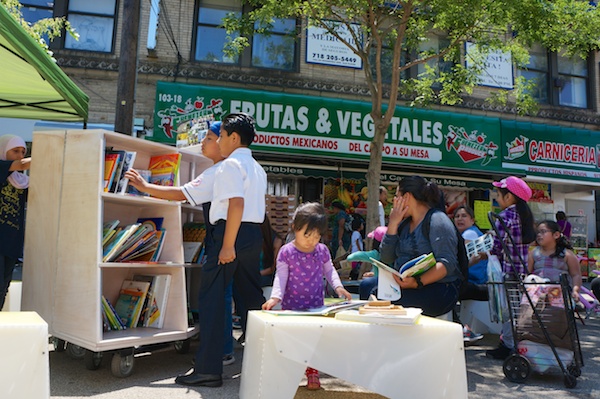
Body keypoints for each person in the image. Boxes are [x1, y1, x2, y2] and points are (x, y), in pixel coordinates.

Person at [125, 121, 236, 366]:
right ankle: (225, 348)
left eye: (209, 137)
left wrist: (145, 187)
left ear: (225, 141)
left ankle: (221, 351)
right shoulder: (230, 169)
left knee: (216, 297)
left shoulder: (218, 171)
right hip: (228, 241)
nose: (204, 143)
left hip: (220, 242)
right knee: (222, 296)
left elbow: (182, 193)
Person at [174, 112, 267, 387]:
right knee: (251, 300)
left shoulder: (230, 166)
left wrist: (227, 246)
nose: (220, 141)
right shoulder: (258, 168)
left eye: (222, 135)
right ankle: (265, 362)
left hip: (230, 234)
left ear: (234, 138)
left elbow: (235, 204)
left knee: (213, 300)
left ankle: (209, 370)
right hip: (252, 235)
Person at [262, 202, 352, 390]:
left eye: (317, 236)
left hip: (316, 306)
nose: (312, 240)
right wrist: (275, 297)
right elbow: (281, 276)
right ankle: (289, 373)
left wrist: (339, 287)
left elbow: (330, 271)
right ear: (295, 228)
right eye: (307, 235)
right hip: (291, 307)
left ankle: (312, 372)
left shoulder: (322, 251)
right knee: (292, 340)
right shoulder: (287, 252)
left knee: (313, 340)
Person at [379, 176, 462, 317]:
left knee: (393, 304)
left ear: (407, 197)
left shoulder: (438, 220)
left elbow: (447, 264)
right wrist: (392, 224)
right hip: (405, 285)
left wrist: (416, 282)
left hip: (439, 288)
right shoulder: (403, 225)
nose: (394, 202)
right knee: (368, 287)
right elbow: (386, 257)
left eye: (397, 196)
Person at [486, 176, 536, 360]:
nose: (497, 199)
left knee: (508, 311)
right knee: (515, 310)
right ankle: (509, 343)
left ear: (509, 197)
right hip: (521, 271)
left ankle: (508, 345)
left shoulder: (505, 216)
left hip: (508, 270)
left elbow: (497, 247)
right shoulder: (525, 217)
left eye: (499, 195)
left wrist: (488, 253)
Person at [0, 135, 30, 310]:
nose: (20, 155)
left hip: (12, 242)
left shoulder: (22, 182)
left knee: (4, 287)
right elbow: (23, 165)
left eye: (23, 152)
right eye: (15, 151)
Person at [453, 205, 489, 343]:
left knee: (449, 291)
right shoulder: (475, 232)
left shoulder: (469, 234)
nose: (460, 219)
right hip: (478, 283)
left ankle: (462, 330)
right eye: (457, 216)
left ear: (472, 220)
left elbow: (463, 264)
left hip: (475, 284)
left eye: (464, 216)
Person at [528, 220, 581, 301]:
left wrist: (575, 290)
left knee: (556, 311)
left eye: (543, 232)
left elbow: (576, 274)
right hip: (538, 294)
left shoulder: (566, 254)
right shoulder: (533, 253)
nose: (539, 235)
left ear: (556, 235)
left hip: (560, 295)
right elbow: (527, 273)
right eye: (537, 232)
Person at [259, 215, 284, 298]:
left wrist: (257, 274)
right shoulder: (252, 241)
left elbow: (273, 268)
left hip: (266, 276)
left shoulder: (276, 241)